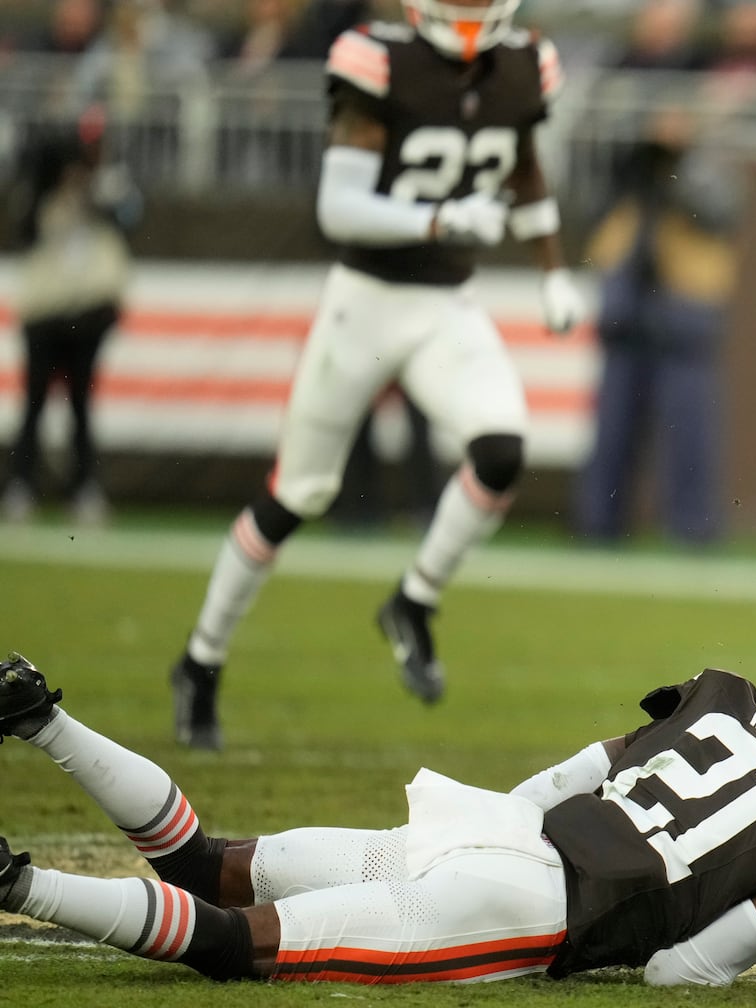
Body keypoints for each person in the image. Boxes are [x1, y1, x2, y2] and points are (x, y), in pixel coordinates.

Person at [0, 636, 756, 985]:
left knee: (212, 864)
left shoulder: (725, 696)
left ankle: (39, 716)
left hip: (493, 832)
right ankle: (16, 882)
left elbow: (565, 776)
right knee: (229, 942)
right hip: (527, 909)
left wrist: (493, 837)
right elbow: (686, 972)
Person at [168, 0, 588, 749]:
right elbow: (339, 207)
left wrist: (552, 267)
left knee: (500, 450)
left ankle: (414, 601)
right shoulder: (379, 59)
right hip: (362, 305)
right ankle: (201, 659)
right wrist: (436, 220)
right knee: (300, 493)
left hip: (443, 305)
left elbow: (520, 161)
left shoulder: (524, 66)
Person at [574, 105, 742, 546]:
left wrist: (675, 175)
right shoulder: (630, 174)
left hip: (683, 316)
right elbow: (593, 217)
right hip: (628, 312)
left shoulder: (709, 171)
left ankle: (692, 528)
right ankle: (599, 524)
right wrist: (636, 171)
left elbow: (719, 213)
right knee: (613, 430)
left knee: (688, 434)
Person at [3, 108, 141, 527]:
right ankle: (21, 486)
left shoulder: (108, 187)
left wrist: (94, 191)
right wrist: (50, 180)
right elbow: (22, 229)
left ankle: (83, 489)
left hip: (86, 312)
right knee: (34, 403)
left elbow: (130, 219)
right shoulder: (40, 195)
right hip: (45, 312)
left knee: (81, 405)